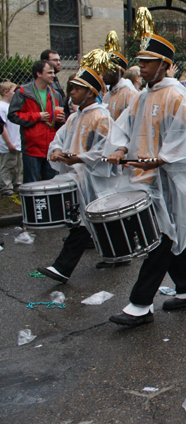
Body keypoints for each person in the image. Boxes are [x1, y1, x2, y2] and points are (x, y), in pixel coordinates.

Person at [105, 26, 186, 327]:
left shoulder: (179, 98)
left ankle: (140, 303)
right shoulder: (140, 97)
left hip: (171, 181)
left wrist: (161, 160)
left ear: (164, 64)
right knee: (167, 235)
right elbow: (125, 127)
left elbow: (184, 141)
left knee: (160, 238)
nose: (142, 67)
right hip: (147, 180)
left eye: (148, 62)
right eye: (141, 61)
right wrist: (121, 147)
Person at [37, 64, 121, 283]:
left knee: (84, 221)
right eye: (71, 88)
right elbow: (59, 137)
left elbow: (105, 150)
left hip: (94, 179)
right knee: (92, 220)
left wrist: (80, 158)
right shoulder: (74, 117)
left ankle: (62, 268)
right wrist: (56, 150)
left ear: (91, 92)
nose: (71, 92)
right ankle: (119, 254)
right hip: (77, 178)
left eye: (76, 88)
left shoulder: (102, 118)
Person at [8, 60, 65, 183]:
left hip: (51, 148)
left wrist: (61, 120)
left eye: (53, 72)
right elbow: (13, 115)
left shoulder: (56, 95)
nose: (53, 75)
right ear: (39, 73)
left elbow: (60, 125)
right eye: (49, 72)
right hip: (32, 147)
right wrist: (36, 116)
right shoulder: (23, 92)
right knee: (32, 184)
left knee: (51, 184)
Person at [102, 44, 138, 121]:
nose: (104, 74)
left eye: (108, 70)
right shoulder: (106, 96)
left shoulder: (129, 94)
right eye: (103, 70)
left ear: (119, 72)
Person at [0, 81, 21, 196]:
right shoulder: (1, 107)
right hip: (8, 143)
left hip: (16, 141)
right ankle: (6, 187)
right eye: (14, 91)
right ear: (6, 92)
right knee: (8, 165)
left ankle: (16, 184)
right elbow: (2, 126)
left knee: (17, 165)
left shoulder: (12, 106)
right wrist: (8, 143)